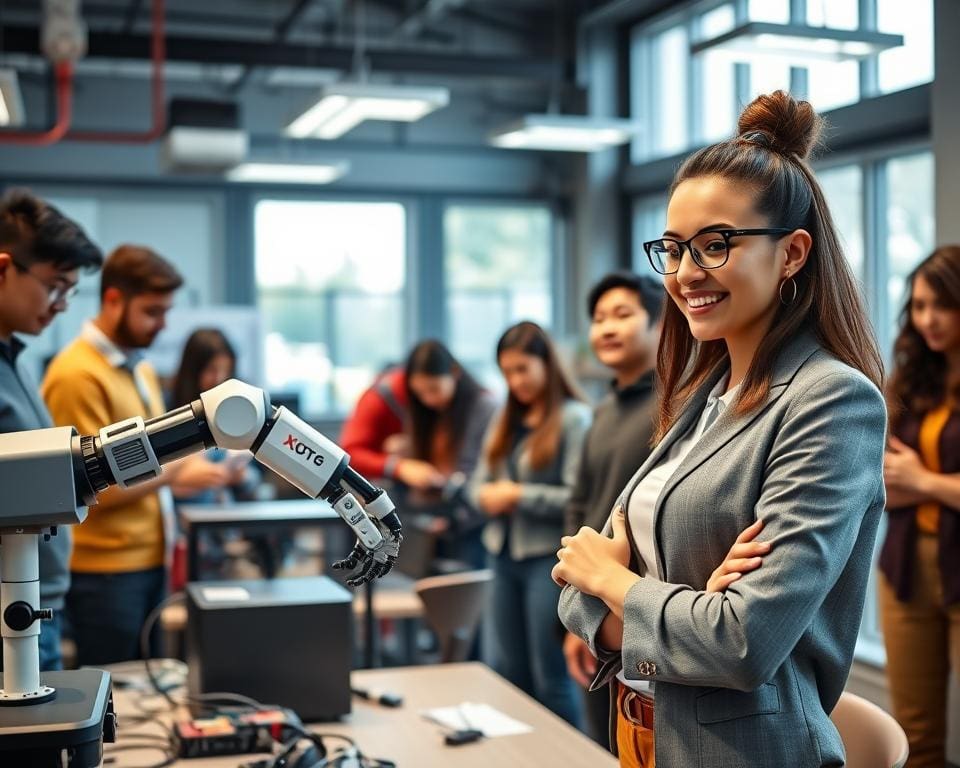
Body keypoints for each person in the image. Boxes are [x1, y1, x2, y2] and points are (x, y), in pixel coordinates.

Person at [554, 90, 886, 767]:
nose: (684, 274)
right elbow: (573, 585)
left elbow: (742, 642)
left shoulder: (830, 401)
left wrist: (619, 586)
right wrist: (690, 600)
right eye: (673, 248)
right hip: (640, 731)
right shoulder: (703, 393)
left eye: (715, 245)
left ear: (793, 253)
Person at [42, 245, 232, 665]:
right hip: (104, 573)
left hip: (147, 559)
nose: (163, 325)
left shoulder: (139, 368)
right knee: (116, 697)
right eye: (152, 311)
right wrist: (174, 473)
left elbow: (146, 463)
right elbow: (78, 490)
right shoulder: (76, 375)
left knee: (143, 691)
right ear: (113, 300)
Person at [468, 321, 592, 726]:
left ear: (546, 364)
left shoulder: (573, 418)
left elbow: (578, 498)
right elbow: (477, 486)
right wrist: (487, 496)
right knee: (509, 673)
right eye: (507, 372)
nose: (515, 380)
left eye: (523, 369)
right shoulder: (506, 419)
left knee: (550, 676)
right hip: (502, 554)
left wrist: (517, 496)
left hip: (547, 560)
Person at [0, 189, 103, 671]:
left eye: (71, 290)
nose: (62, 304)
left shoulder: (17, 360)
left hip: (41, 604)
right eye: (55, 286)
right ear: (4, 269)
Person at [562, 272, 663, 747]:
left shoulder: (677, 405)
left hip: (645, 605)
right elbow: (579, 504)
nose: (606, 328)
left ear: (661, 324)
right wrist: (578, 617)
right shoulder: (601, 411)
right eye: (599, 319)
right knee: (601, 740)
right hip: (593, 603)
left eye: (623, 315)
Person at [880, 245, 960, 768]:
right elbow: (881, 480)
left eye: (942, 305)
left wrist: (924, 481)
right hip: (906, 565)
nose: (927, 319)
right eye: (919, 305)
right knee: (916, 733)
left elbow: (906, 478)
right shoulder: (911, 379)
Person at [401, 339, 497, 569]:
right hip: (434, 517)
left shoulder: (484, 407)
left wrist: (452, 517)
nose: (428, 399)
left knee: (464, 596)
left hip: (470, 522)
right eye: (420, 393)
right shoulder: (425, 413)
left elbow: (478, 472)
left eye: (434, 389)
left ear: (454, 373)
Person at [340, 363, 446, 490]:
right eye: (424, 392)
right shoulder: (376, 399)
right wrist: (398, 467)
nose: (430, 400)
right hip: (383, 488)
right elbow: (350, 454)